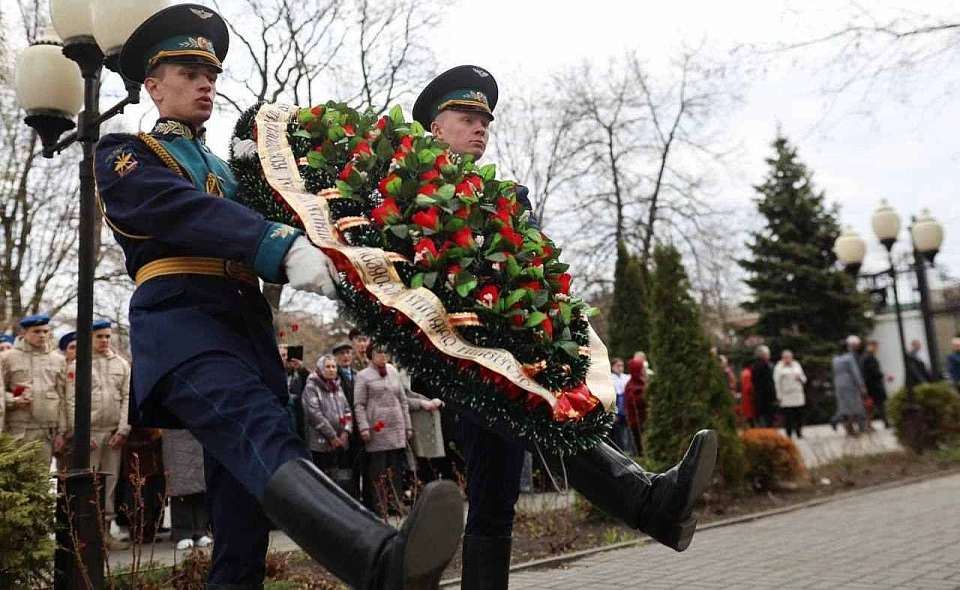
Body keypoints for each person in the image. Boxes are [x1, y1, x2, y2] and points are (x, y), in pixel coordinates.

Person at [94, 6, 463, 588]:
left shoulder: (235, 170)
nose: (204, 82)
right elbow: (179, 209)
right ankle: (377, 559)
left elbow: (310, 221)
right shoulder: (128, 156)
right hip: (184, 329)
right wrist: (274, 243)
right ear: (153, 84)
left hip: (246, 333)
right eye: (187, 70)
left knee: (244, 519)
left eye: (209, 72)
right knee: (261, 430)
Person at [412, 65, 717, 590]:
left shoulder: (508, 196)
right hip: (462, 359)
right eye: (466, 117)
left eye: (485, 119)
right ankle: (646, 500)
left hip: (516, 354)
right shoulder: (411, 188)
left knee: (493, 499)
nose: (480, 127)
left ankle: (651, 503)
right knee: (534, 422)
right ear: (435, 128)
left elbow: (533, 273)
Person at [64, 320, 132, 549]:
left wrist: (123, 429)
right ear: (89, 338)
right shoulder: (79, 365)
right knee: (89, 483)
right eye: (99, 336)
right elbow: (71, 401)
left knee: (110, 484)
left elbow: (127, 398)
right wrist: (80, 432)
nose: (104, 341)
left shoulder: (121, 365)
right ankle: (86, 536)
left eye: (107, 336)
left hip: (113, 434)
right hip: (90, 435)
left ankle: (106, 533)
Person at [354, 342, 413, 515]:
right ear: (371, 354)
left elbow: (402, 400)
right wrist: (364, 427)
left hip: (396, 425)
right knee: (378, 471)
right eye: (379, 352)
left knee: (395, 469)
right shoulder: (363, 376)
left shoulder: (393, 371)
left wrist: (407, 426)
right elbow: (359, 404)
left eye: (386, 352)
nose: (383, 356)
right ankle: (380, 506)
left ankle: (396, 503)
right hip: (377, 428)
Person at [1, 313, 67, 469]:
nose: (42, 335)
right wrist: (13, 400)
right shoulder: (7, 358)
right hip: (17, 429)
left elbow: (63, 397)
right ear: (24, 333)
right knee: (17, 478)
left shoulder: (57, 360)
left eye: (45, 331)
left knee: (42, 479)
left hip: (45, 431)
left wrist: (61, 432)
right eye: (36, 331)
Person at [302, 355, 354, 492]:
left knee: (341, 480)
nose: (331, 370)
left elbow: (347, 411)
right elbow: (314, 415)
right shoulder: (311, 387)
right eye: (328, 366)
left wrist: (346, 432)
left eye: (334, 366)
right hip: (320, 444)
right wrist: (332, 436)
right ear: (320, 369)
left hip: (341, 442)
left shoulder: (338, 387)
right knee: (322, 482)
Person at [162, 428, 211, 550]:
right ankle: (182, 532)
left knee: (200, 483)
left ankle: (200, 530)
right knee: (180, 484)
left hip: (198, 432)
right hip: (176, 434)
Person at [832, 336, 867, 436]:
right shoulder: (849, 357)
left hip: (839, 384)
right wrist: (861, 385)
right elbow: (855, 372)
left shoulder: (835, 359)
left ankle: (848, 428)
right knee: (858, 407)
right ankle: (862, 428)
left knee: (844, 408)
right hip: (850, 384)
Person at [773, 350, 806, 438]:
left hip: (798, 394)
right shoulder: (779, 367)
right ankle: (789, 433)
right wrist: (779, 396)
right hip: (786, 395)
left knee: (799, 415)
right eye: (786, 357)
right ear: (783, 358)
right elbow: (777, 383)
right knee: (788, 417)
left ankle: (799, 432)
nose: (788, 359)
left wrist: (800, 378)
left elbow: (804, 378)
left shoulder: (796, 365)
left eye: (789, 357)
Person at [860, 339, 889, 427]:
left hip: (870, 384)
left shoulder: (866, 356)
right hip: (873, 385)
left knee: (872, 406)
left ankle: (869, 423)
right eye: (876, 347)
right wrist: (882, 376)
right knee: (880, 404)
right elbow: (873, 371)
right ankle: (885, 422)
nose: (877, 349)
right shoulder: (869, 357)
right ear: (871, 346)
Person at [623, 354, 648, 454]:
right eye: (642, 369)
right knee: (640, 448)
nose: (644, 371)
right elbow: (638, 403)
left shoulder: (642, 382)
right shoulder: (632, 387)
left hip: (645, 421)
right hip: (638, 423)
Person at [609, 357, 635, 454]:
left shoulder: (627, 377)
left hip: (626, 408)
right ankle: (622, 451)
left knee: (629, 431)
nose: (620, 368)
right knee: (619, 433)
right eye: (618, 365)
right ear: (612, 367)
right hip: (618, 408)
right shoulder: (610, 378)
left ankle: (630, 450)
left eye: (622, 365)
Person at [751, 345, 777, 427]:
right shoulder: (764, 366)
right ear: (763, 355)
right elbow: (769, 383)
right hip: (765, 397)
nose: (769, 355)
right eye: (767, 353)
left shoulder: (755, 365)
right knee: (767, 419)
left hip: (760, 396)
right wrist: (774, 395)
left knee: (763, 417)